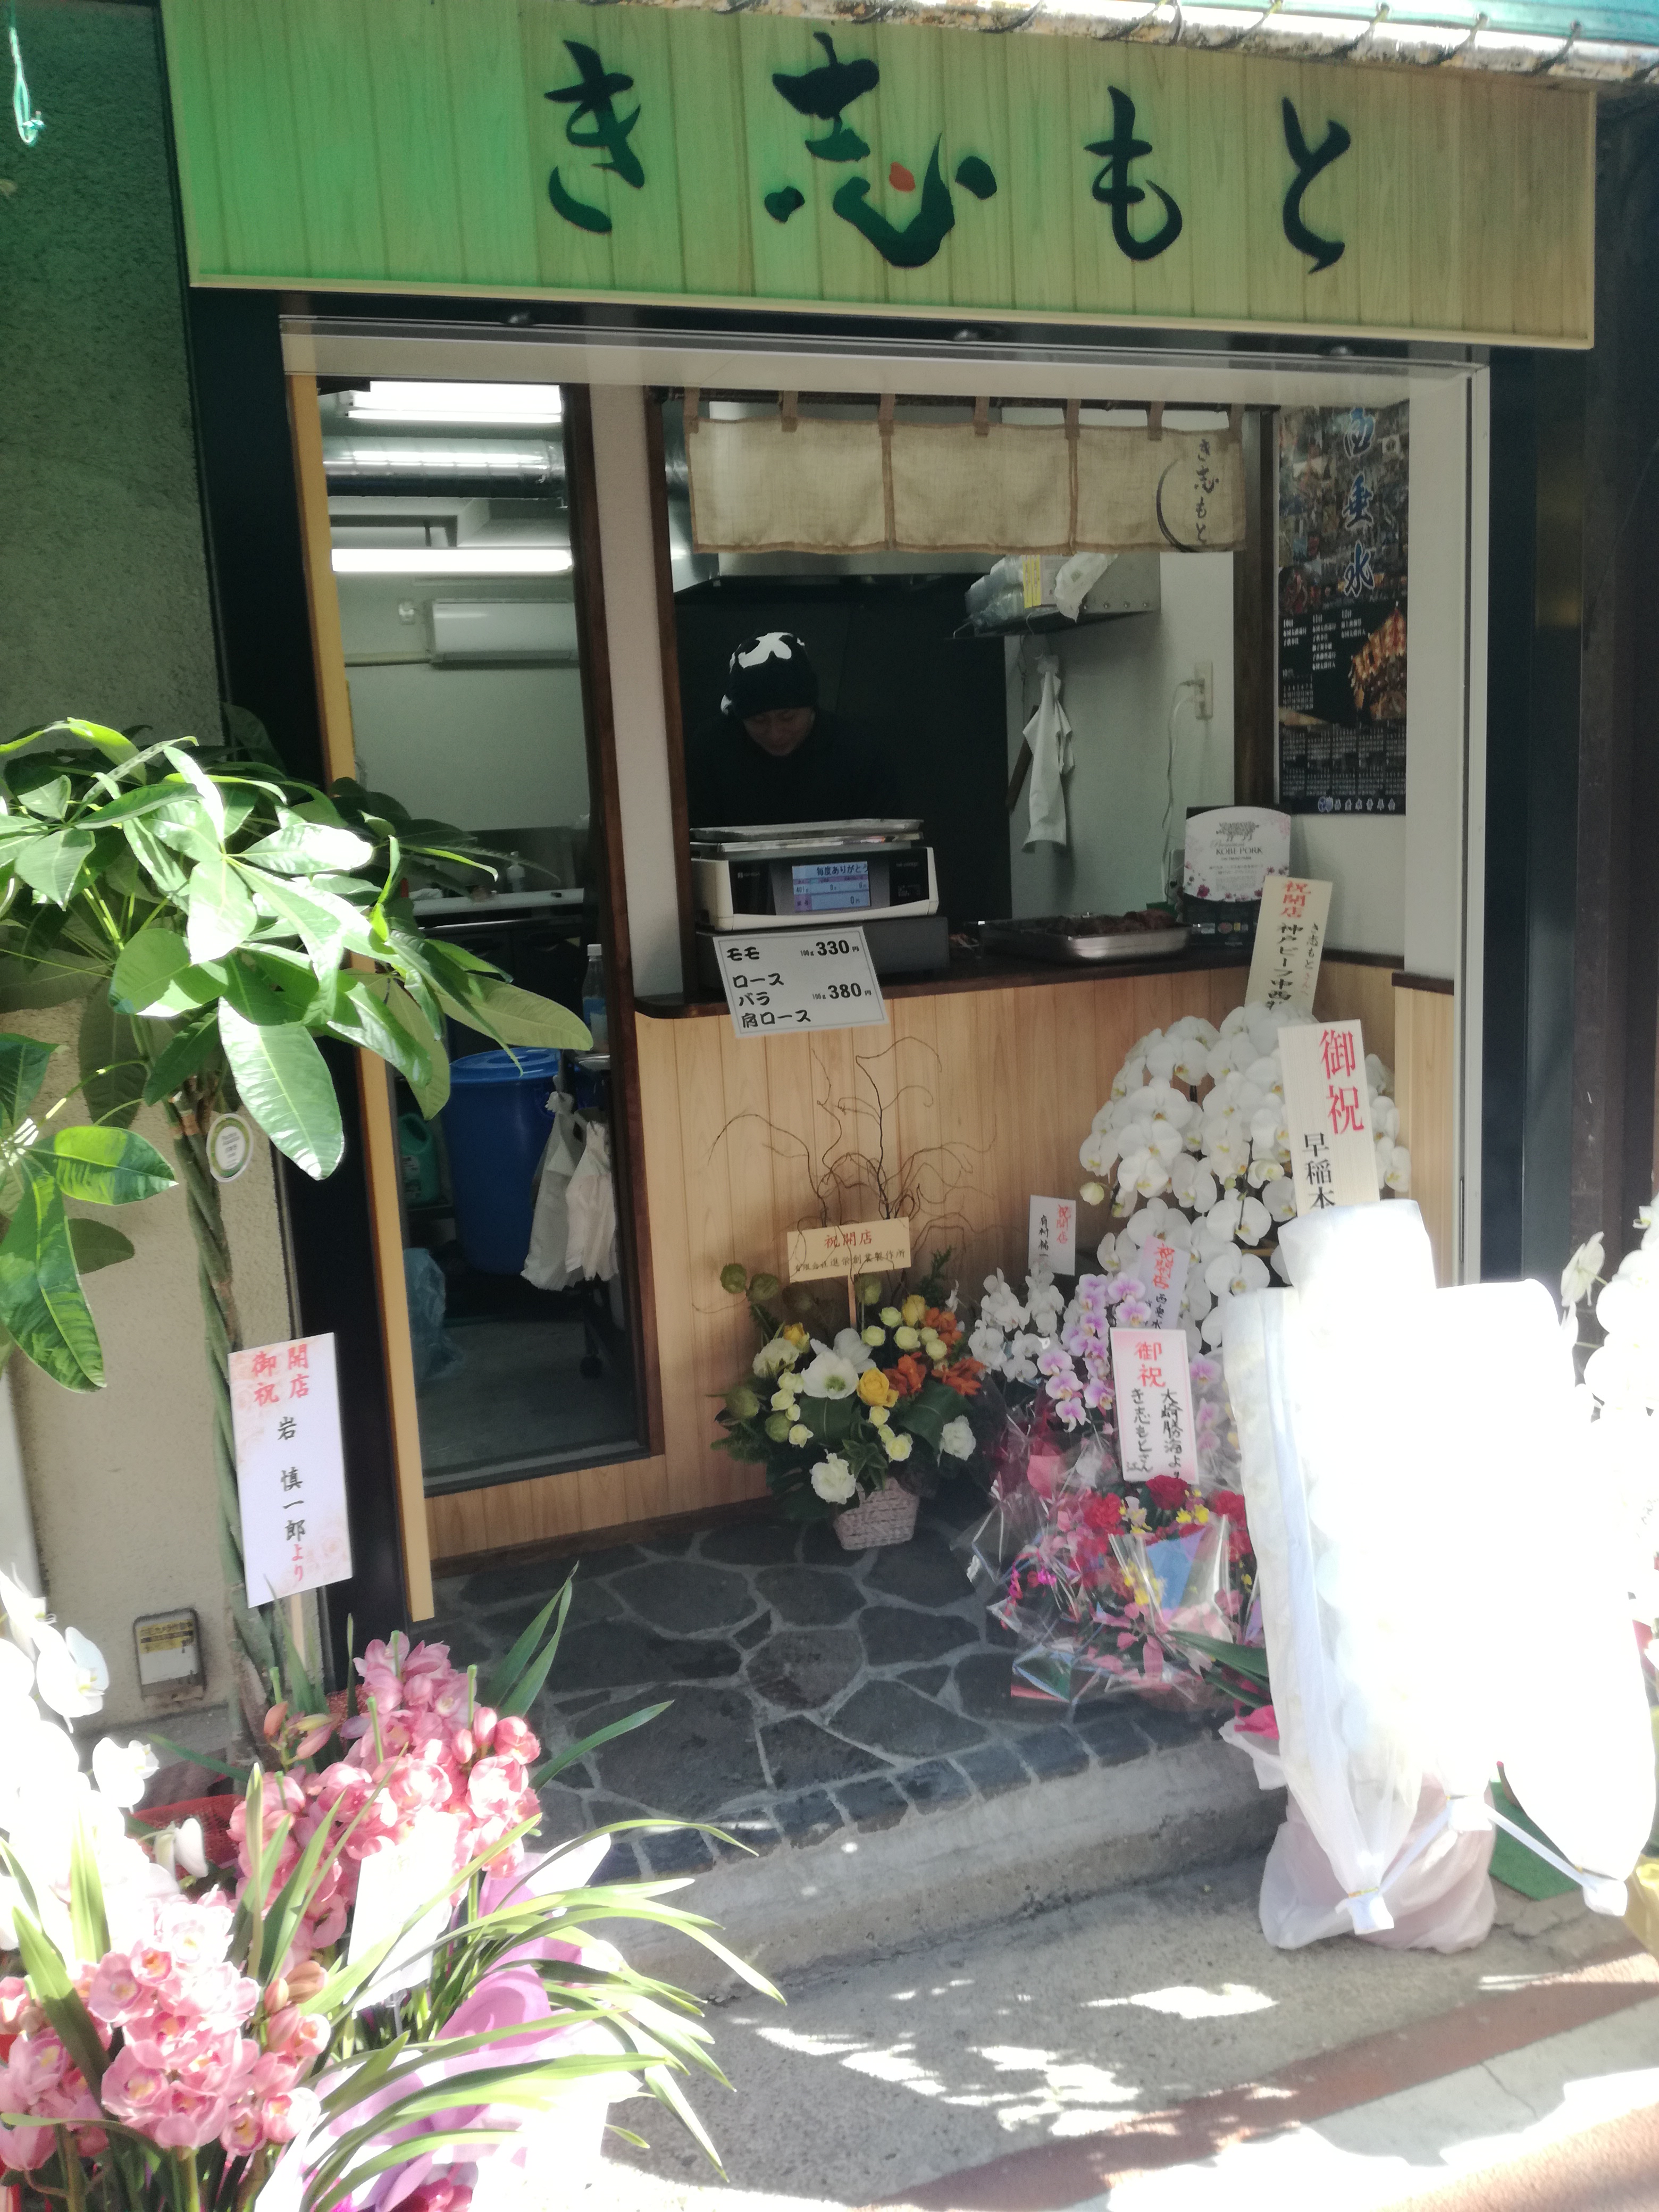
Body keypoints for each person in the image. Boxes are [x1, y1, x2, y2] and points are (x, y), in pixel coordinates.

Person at [686, 630, 900, 827]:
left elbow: (884, 839)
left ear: (811, 706)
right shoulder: (711, 750)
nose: (775, 734)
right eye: (759, 721)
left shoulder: (859, 753)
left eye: (788, 717)